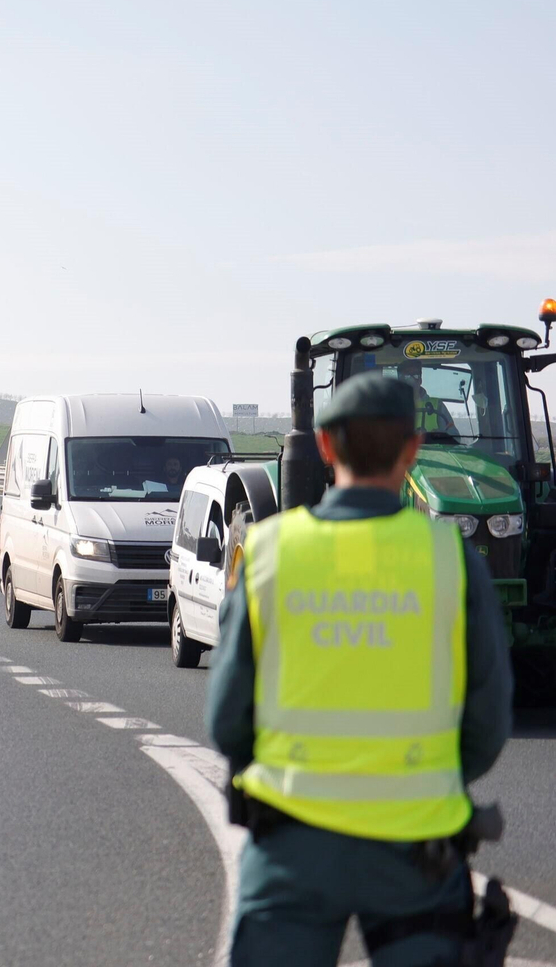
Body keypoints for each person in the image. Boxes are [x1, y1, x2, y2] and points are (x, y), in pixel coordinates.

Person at [207, 372, 512, 966]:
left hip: (291, 843)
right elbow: (488, 720)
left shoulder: (270, 552)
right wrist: (431, 782)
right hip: (416, 849)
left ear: (324, 446)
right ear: (413, 449)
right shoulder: (451, 560)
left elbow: (226, 721)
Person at [396, 359, 459, 437]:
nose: (411, 380)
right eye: (407, 376)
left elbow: (455, 437)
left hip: (432, 449)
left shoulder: (437, 405)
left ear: (420, 380)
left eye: (415, 375)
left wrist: (438, 435)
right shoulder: (389, 406)